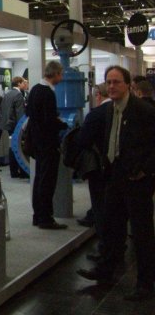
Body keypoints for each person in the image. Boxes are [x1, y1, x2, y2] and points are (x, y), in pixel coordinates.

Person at [77, 66, 155, 302]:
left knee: (141, 233)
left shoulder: (143, 111)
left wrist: (144, 170)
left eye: (116, 82)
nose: (111, 86)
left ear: (128, 85)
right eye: (108, 82)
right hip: (115, 176)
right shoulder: (110, 109)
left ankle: (145, 283)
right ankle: (105, 271)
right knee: (111, 226)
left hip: (137, 180)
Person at [26, 61, 68, 229]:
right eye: (61, 74)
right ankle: (46, 218)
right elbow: (48, 120)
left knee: (39, 179)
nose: (61, 78)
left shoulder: (35, 89)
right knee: (48, 181)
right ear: (55, 74)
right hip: (47, 144)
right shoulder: (48, 93)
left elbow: (30, 114)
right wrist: (63, 124)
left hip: (37, 143)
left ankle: (38, 215)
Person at [75, 83, 111, 252]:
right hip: (118, 169)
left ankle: (105, 248)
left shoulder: (96, 114)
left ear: (98, 96)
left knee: (100, 205)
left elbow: (83, 140)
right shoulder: (121, 112)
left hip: (98, 168)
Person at [0, 77, 28, 178]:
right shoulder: (18, 95)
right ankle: (22, 172)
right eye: (23, 83)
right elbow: (20, 113)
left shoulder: (7, 94)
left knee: (12, 146)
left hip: (7, 125)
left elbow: (2, 109)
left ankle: (13, 171)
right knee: (19, 147)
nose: (25, 84)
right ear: (19, 83)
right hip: (15, 125)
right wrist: (23, 127)